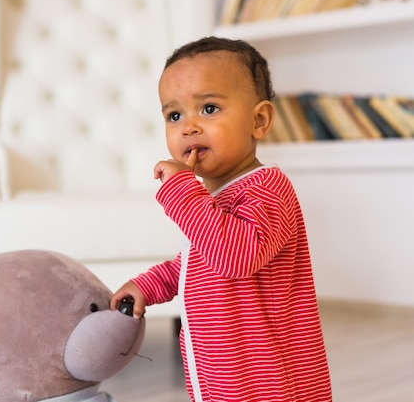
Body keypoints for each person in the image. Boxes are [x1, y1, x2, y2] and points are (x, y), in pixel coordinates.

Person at [110, 36, 332, 402]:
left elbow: (233, 256)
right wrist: (149, 285)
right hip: (224, 376)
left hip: (267, 382)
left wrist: (182, 189)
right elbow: (196, 263)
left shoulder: (268, 189)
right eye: (174, 115)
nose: (189, 127)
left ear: (258, 120)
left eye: (209, 109)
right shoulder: (213, 201)